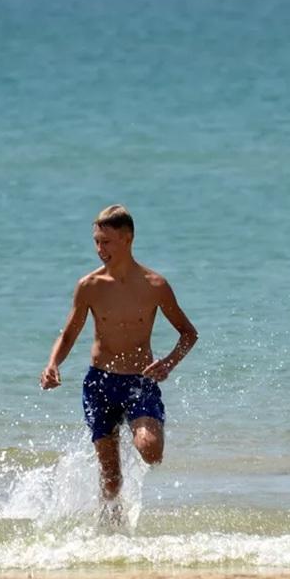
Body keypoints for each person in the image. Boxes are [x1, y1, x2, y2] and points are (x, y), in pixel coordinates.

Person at [40, 204, 198, 525]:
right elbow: (69, 333)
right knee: (111, 476)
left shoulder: (155, 285)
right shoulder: (90, 286)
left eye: (106, 242)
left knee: (151, 451)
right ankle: (110, 528)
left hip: (139, 381)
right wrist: (53, 363)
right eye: (96, 242)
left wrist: (168, 364)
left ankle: (137, 432)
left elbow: (188, 334)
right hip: (100, 384)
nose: (100, 249)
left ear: (127, 239)